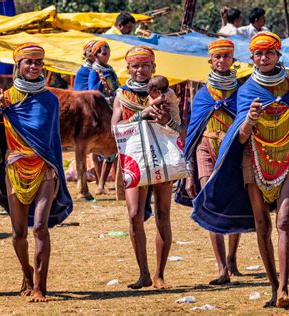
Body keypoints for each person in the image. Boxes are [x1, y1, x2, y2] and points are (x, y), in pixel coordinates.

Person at [193, 32, 289, 308]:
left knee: (282, 222)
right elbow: (241, 136)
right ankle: (271, 287)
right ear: (252, 58)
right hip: (253, 160)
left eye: (269, 52)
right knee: (262, 225)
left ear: (278, 55)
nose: (264, 57)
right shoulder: (246, 92)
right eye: (258, 53)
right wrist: (250, 120)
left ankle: (283, 287)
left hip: (285, 160)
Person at [0, 43, 73, 302]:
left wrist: (54, 165)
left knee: (40, 227)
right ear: (18, 65)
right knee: (19, 234)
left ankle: (40, 287)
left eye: (38, 62)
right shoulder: (5, 99)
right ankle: (27, 274)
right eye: (28, 62)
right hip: (14, 169)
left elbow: (51, 140)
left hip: (44, 169)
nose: (33, 66)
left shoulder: (50, 100)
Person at [111, 46, 181, 290]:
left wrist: (164, 120)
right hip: (134, 159)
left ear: (154, 67)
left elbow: (178, 129)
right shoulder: (122, 95)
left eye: (145, 66)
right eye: (135, 66)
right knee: (134, 215)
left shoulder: (167, 94)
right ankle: (143, 273)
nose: (140, 70)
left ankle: (159, 274)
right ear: (128, 68)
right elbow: (115, 128)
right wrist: (139, 117)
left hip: (161, 158)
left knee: (163, 214)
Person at [183, 39, 242, 285]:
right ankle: (221, 268)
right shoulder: (203, 95)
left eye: (226, 56)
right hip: (206, 149)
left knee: (235, 203)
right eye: (217, 57)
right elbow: (193, 131)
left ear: (233, 60)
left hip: (232, 152)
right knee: (210, 202)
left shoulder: (242, 92)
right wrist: (188, 171)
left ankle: (231, 258)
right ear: (210, 61)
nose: (221, 61)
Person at [88, 40, 120, 195]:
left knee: (114, 148)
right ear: (96, 55)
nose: (105, 52)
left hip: (114, 109)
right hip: (103, 113)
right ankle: (100, 183)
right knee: (104, 148)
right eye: (101, 50)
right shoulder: (95, 71)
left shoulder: (110, 70)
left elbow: (117, 86)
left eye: (107, 49)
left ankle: (103, 183)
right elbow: (93, 93)